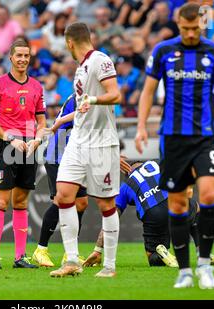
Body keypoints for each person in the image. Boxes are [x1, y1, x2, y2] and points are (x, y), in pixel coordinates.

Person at [134, 3, 214, 289]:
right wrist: (142, 126)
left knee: (207, 194)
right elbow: (148, 91)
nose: (191, 33)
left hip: (205, 138)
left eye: (195, 28)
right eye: (185, 28)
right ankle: (184, 271)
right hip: (173, 139)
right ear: (178, 24)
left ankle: (204, 265)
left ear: (201, 25)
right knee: (178, 204)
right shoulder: (163, 51)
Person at [49, 22, 122, 278]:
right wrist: (62, 120)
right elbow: (82, 107)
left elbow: (115, 94)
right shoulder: (80, 68)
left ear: (70, 43)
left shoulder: (100, 60)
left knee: (105, 203)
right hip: (78, 140)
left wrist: (93, 99)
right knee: (64, 194)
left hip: (101, 142)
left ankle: (110, 266)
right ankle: (70, 260)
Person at [0, 38, 47, 269]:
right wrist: (11, 138)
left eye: (26, 56)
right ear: (10, 57)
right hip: (7, 146)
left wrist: (38, 139)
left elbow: (41, 120)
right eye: (19, 55)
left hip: (29, 147)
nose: (22, 59)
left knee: (21, 201)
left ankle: (20, 257)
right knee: (1, 201)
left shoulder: (37, 87)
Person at [84, 160, 214, 268]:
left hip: (153, 215)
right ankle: (202, 252)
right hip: (174, 202)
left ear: (127, 173)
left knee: (152, 258)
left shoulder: (125, 186)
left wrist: (98, 250)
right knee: (197, 209)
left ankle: (161, 253)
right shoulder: (155, 164)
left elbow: (112, 217)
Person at [32, 93, 88, 267]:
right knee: (61, 201)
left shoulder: (94, 95)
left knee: (81, 203)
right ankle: (41, 250)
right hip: (57, 156)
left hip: (75, 157)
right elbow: (77, 115)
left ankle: (70, 254)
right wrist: (59, 123)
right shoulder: (82, 96)